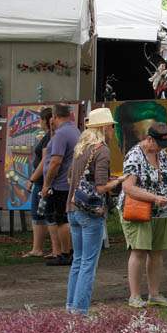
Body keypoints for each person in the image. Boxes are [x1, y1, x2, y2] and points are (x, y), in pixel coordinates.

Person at [65, 108, 127, 315]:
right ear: (103, 128)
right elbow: (100, 187)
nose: (112, 129)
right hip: (91, 211)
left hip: (72, 207)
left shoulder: (81, 148)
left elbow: (70, 178)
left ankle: (71, 307)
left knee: (78, 261)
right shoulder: (102, 150)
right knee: (88, 264)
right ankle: (80, 310)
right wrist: (118, 181)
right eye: (110, 126)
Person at [120, 122, 167, 308]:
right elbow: (128, 187)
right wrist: (154, 198)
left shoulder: (162, 154)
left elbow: (165, 180)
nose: (161, 149)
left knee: (157, 252)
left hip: (162, 211)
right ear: (149, 139)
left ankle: (154, 294)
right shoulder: (134, 156)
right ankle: (134, 296)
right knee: (139, 250)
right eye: (158, 145)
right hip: (138, 210)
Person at [41, 104, 80, 266]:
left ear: (55, 116)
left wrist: (47, 184)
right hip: (69, 182)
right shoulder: (75, 130)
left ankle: (66, 253)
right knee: (65, 218)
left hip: (60, 184)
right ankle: (69, 251)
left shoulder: (61, 134)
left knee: (61, 220)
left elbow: (56, 161)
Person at [23, 107, 60, 259]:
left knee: (47, 215)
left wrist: (32, 178)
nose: (39, 122)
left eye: (40, 119)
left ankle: (55, 249)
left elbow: (46, 160)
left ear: (47, 120)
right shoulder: (47, 136)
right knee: (38, 215)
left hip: (43, 182)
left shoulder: (50, 138)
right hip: (40, 181)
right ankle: (37, 248)